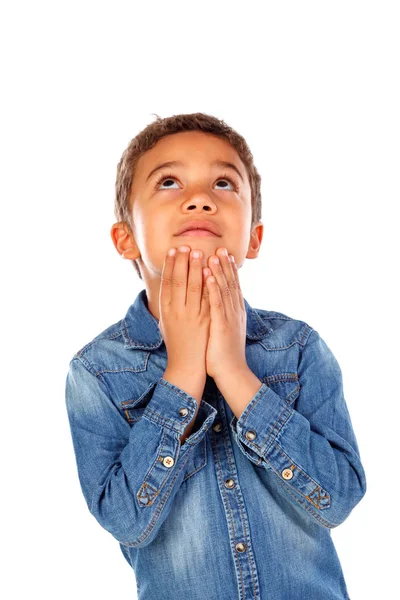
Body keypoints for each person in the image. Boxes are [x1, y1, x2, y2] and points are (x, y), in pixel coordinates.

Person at [65, 112, 367, 600]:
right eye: (168, 181)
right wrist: (183, 375)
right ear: (126, 239)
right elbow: (126, 521)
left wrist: (232, 371)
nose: (201, 197)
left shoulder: (297, 348)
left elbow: (336, 500)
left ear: (254, 238)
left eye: (224, 182)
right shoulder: (97, 371)